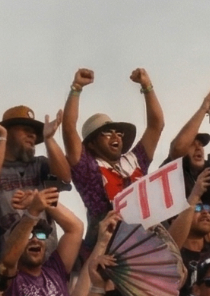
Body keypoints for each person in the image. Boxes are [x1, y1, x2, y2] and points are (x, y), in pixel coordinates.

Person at [62, 68, 165, 227]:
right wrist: (76, 88)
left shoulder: (136, 160)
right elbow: (69, 128)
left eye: (118, 133)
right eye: (107, 133)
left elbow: (156, 125)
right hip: (105, 242)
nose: (115, 137)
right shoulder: (87, 167)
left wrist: (147, 86)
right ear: (92, 144)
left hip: (143, 237)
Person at [0, 101, 71, 262]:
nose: (32, 135)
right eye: (26, 130)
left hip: (43, 264)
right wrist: (1, 137)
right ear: (8, 131)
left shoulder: (41, 164)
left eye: (34, 132)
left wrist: (49, 139)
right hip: (1, 266)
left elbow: (64, 177)